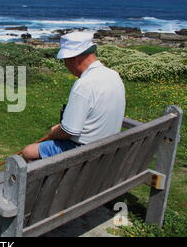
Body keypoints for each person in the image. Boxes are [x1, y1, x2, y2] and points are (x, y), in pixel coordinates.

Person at [22, 31, 126, 161]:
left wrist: (53, 132)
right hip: (107, 151)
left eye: (65, 60)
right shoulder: (113, 75)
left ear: (75, 58)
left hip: (84, 153)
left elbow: (69, 131)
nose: (66, 65)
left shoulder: (84, 84)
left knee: (28, 152)